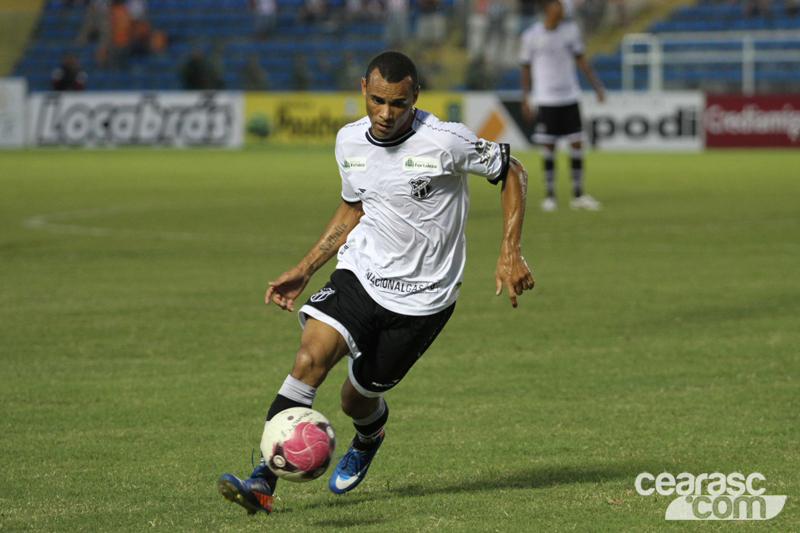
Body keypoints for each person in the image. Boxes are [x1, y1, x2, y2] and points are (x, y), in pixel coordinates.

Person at [217, 51, 534, 516]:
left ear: (416, 96)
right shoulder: (349, 142)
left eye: (399, 103)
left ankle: (369, 437)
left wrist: (510, 251)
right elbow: (353, 206)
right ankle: (262, 481)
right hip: (361, 274)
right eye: (379, 100)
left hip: (424, 298)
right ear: (363, 88)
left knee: (356, 398)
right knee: (308, 359)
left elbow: (513, 171)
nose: (387, 114)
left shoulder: (446, 140)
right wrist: (306, 267)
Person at [519, 0, 605, 212]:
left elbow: (581, 60)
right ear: (547, 9)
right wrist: (525, 98)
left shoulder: (571, 31)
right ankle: (550, 196)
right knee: (548, 146)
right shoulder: (531, 36)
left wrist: (596, 86)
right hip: (546, 99)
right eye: (557, 5)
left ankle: (578, 194)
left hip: (570, 96)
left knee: (577, 143)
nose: (562, 9)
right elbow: (525, 69)